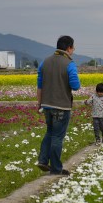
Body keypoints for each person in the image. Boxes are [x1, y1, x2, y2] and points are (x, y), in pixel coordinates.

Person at [36, 35, 81, 175]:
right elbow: (75, 86)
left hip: (46, 105)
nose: (73, 50)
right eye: (73, 48)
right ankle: (56, 168)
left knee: (49, 132)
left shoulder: (45, 62)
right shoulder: (69, 63)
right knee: (57, 137)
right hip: (61, 106)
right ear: (69, 48)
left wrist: (39, 104)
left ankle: (43, 160)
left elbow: (39, 86)